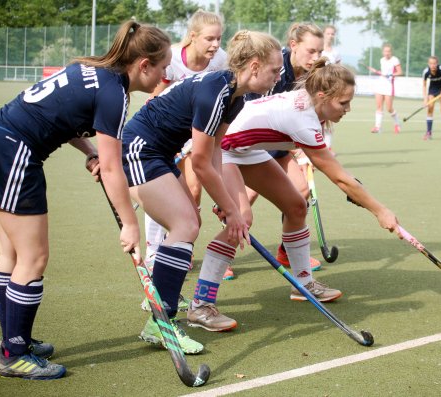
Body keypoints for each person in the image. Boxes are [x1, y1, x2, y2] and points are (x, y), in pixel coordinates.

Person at [0, 21, 171, 380]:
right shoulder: (115, 94)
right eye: (162, 67)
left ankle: (14, 340)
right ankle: (13, 353)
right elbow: (114, 170)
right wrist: (130, 225)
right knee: (33, 258)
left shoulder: (93, 70)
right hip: (13, 156)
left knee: (10, 253)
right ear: (144, 64)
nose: (165, 75)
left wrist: (88, 152)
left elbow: (63, 115)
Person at [187, 59, 400, 332]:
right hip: (223, 149)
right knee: (242, 219)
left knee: (296, 207)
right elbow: (337, 177)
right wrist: (380, 211)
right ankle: (200, 304)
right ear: (323, 97)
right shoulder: (303, 119)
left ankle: (303, 284)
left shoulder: (310, 102)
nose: (348, 109)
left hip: (247, 150)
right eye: (344, 103)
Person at [122, 30, 283, 353]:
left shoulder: (235, 97)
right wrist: (234, 209)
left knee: (188, 221)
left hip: (161, 153)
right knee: (186, 225)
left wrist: (226, 202)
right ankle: (161, 320)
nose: (278, 77)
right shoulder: (216, 91)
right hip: (140, 149)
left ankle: (162, 307)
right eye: (274, 70)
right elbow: (199, 162)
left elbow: (215, 155)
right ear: (253, 66)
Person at [226, 22, 325, 281]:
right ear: (293, 46)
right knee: (243, 205)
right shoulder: (275, 66)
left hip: (275, 141)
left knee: (300, 191)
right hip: (247, 138)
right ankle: (224, 254)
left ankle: (286, 252)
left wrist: (303, 148)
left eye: (319, 52)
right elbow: (254, 113)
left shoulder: (308, 75)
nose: (315, 58)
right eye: (311, 51)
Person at [143, 10, 228, 269]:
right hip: (166, 131)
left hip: (198, 133)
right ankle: (153, 249)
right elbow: (155, 101)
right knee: (164, 189)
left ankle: (178, 243)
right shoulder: (173, 61)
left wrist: (197, 138)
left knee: (193, 189)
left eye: (219, 39)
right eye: (209, 39)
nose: (215, 45)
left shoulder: (220, 60)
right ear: (193, 37)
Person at [368, 44, 402, 134]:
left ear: (391, 52)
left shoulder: (395, 60)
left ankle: (397, 124)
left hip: (389, 86)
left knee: (389, 108)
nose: (387, 53)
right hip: (380, 84)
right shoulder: (382, 60)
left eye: (388, 51)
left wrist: (391, 75)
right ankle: (378, 127)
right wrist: (376, 71)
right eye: (385, 51)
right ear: (383, 52)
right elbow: (383, 72)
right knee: (379, 106)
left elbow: (400, 72)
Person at [422, 56, 441, 141]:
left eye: (434, 63)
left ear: (437, 63)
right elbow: (424, 85)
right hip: (433, 90)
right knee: (430, 109)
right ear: (428, 64)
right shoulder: (426, 72)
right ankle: (428, 132)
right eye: (431, 63)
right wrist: (425, 99)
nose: (433, 65)